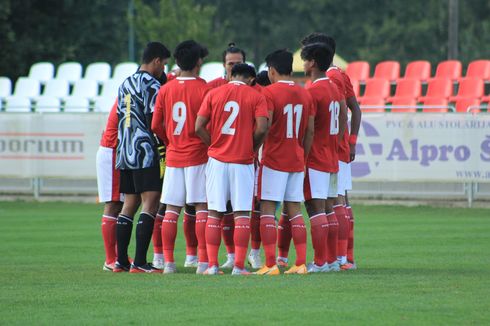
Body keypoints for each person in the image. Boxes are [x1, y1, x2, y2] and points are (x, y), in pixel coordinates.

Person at [195, 64, 269, 275]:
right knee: (242, 214)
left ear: (230, 75)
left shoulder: (214, 93)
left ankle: (212, 266)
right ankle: (238, 266)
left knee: (214, 213)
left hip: (217, 161)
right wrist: (251, 147)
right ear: (251, 79)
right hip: (242, 161)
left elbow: (198, 126)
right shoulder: (256, 96)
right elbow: (263, 127)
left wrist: (213, 145)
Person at [301, 33, 361, 270]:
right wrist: (340, 143)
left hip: (317, 156)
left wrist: (303, 155)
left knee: (319, 207)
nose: (303, 62)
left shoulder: (317, 89)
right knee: (333, 205)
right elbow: (346, 115)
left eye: (305, 56)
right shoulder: (335, 88)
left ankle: (323, 261)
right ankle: (337, 259)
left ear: (314, 60)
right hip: (333, 155)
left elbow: (309, 129)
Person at [152, 40, 211, 274]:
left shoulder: (166, 89)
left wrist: (170, 142)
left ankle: (168, 263)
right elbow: (209, 124)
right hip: (198, 155)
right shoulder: (205, 88)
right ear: (198, 62)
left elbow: (156, 125)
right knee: (201, 209)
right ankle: (203, 262)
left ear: (177, 61)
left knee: (171, 211)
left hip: (175, 156)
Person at [254, 50, 314, 275]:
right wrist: (303, 157)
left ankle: (270, 264)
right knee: (295, 212)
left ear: (271, 70)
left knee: (267, 211)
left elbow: (265, 126)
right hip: (296, 159)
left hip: (274, 160)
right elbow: (309, 132)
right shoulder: (305, 94)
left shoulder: (268, 93)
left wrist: (255, 149)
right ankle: (300, 264)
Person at [113, 41, 170, 273]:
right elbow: (154, 120)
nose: (164, 69)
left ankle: (120, 262)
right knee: (151, 202)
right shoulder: (152, 85)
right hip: (145, 150)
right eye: (163, 64)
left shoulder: (124, 83)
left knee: (129, 204)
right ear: (156, 61)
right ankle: (140, 262)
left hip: (125, 150)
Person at [96, 99, 124, 271]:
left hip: (115, 150)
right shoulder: (129, 95)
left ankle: (117, 256)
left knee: (120, 205)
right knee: (113, 204)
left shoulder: (127, 93)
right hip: (112, 150)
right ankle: (110, 259)